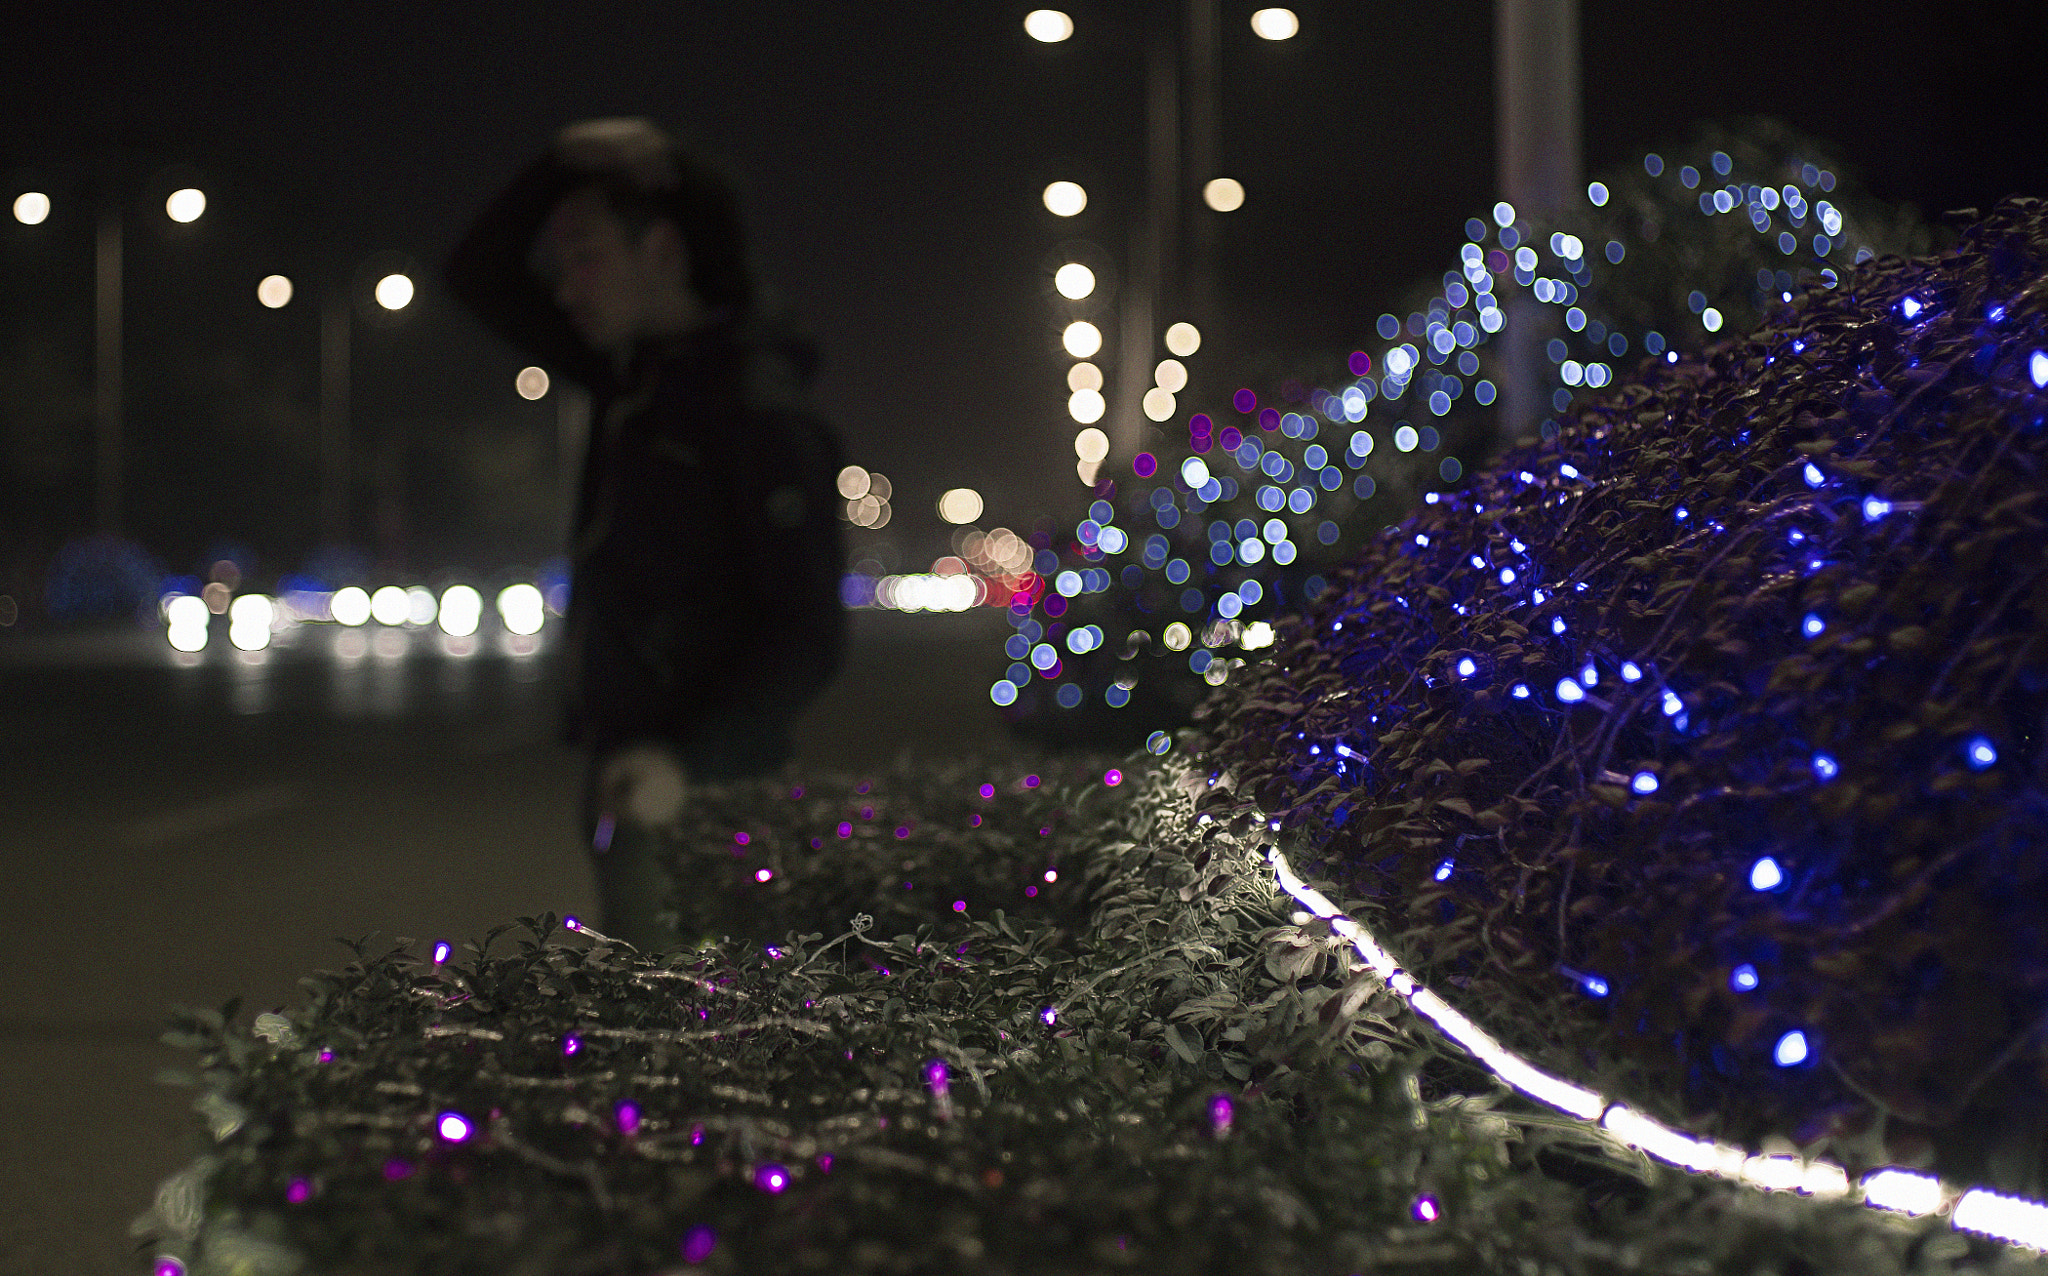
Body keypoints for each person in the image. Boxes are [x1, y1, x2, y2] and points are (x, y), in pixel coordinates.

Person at [445, 117, 848, 950]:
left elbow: (808, 627)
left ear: (663, 252)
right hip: (636, 768)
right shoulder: (636, 376)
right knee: (663, 1019)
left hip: (706, 793)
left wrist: (685, 761)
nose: (565, 286)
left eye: (586, 256)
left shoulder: (756, 410)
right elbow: (477, 275)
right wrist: (559, 165)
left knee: (688, 1031)